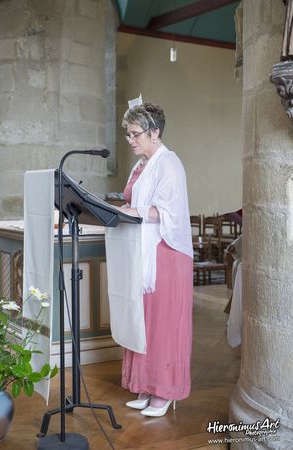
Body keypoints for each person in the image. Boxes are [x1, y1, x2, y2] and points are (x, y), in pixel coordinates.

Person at [116, 102, 193, 417]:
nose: (131, 140)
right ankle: (146, 386)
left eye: (135, 134)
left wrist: (129, 212)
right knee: (143, 321)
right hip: (144, 251)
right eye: (129, 134)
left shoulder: (169, 164)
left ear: (155, 132)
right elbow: (129, 198)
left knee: (163, 324)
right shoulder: (141, 166)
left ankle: (165, 391)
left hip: (166, 253)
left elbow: (165, 211)